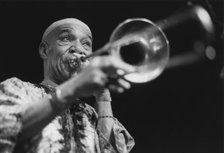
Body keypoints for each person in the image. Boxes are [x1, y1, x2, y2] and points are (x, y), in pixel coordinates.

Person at [0, 18, 135, 153]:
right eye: (66, 39)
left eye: (86, 44)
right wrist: (74, 87)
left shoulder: (92, 114)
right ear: (44, 50)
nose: (78, 49)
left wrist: (103, 97)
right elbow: (7, 130)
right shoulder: (17, 88)